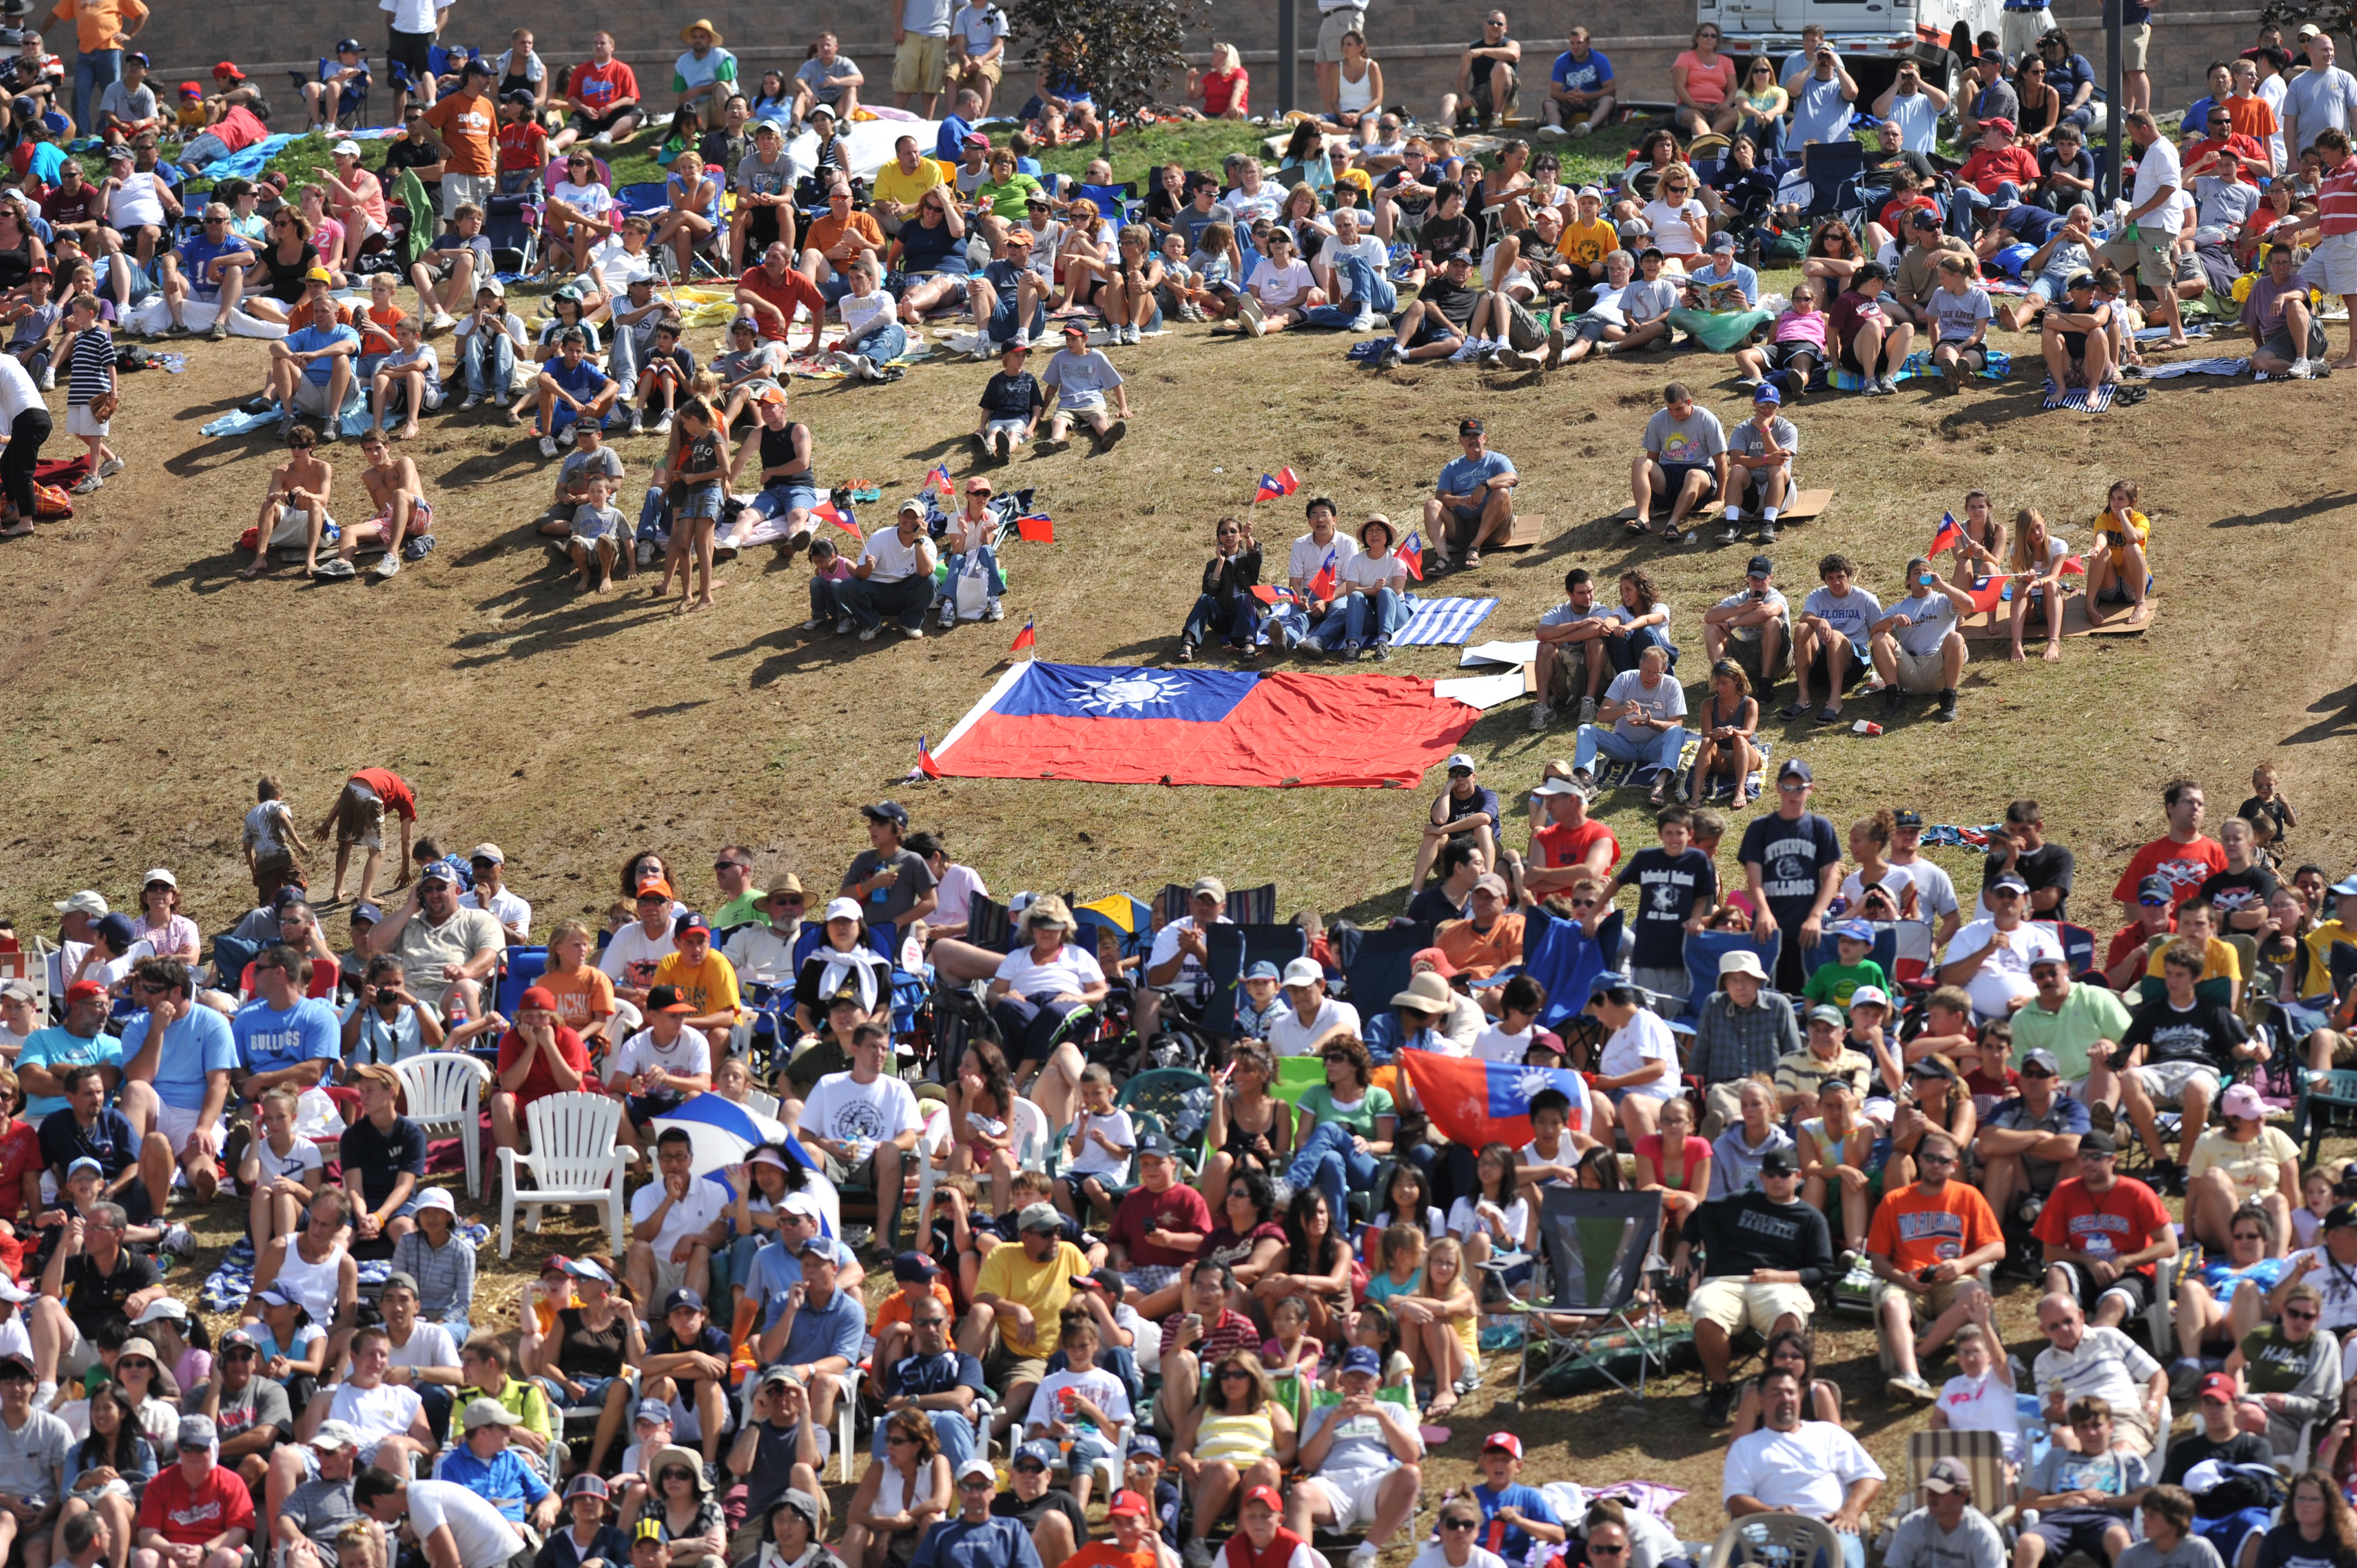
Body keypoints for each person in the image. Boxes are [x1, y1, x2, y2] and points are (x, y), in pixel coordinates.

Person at [1677, 1150, 1835, 1426]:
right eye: (1771, 1174)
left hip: (1779, 1283)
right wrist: (1681, 1250)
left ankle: (1773, 1390)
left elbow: (1823, 1270)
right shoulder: (1738, 1203)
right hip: (1727, 1281)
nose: (1777, 1180)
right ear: (1761, 1177)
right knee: (1705, 1313)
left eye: (1784, 1174)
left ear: (1798, 1177)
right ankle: (1721, 1389)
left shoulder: (1810, 1218)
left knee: (1788, 1315)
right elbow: (1699, 1215)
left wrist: (1782, 1276)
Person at [1869, 1131, 2005, 1401]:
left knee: (1975, 1295)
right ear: (1919, 1160)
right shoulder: (1894, 1201)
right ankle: (1911, 1377)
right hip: (1908, 1282)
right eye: (1930, 1158)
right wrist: (1902, 1279)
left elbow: (1997, 1247)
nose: (1935, 1164)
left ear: (1954, 1165)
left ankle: (1917, 1356)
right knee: (1893, 1303)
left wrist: (1963, 1264)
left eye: (1943, 1160)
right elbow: (1877, 1259)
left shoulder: (1969, 1196)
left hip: (1953, 1281)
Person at [1723, 1366, 1885, 1568]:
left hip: (1830, 1526)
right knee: (1746, 1549)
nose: (1786, 1399)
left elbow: (1869, 1476)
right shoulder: (1744, 1446)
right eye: (1776, 1393)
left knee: (1843, 1560)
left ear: (1799, 1397)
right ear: (1761, 1400)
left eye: (1791, 1392)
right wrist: (1772, 1514)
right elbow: (1736, 1499)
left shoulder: (1829, 1434)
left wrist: (1851, 1510)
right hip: (1771, 1528)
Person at [1285, 1345, 1421, 1568]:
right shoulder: (1322, 1414)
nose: (1359, 1384)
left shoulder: (1393, 1410)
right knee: (1300, 1493)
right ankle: (1301, 1564)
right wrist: (1332, 1421)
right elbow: (1308, 1463)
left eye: (1365, 1378)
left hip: (1378, 1482)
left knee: (1411, 1474)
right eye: (1353, 1377)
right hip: (1333, 1483)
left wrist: (1381, 1417)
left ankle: (1365, 1553)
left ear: (1377, 1383)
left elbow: (1411, 1456)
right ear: (1342, 1382)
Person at [1867, 555, 1973, 723]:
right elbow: (1874, 633)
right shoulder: (1899, 608)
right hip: (1911, 671)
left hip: (1939, 670)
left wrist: (1941, 584)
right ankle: (1894, 695)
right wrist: (1892, 620)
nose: (1923, 574)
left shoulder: (1944, 601)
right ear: (1908, 580)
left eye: (1926, 571)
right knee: (1881, 638)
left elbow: (1970, 605)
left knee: (1956, 638)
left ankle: (1949, 698)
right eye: (1917, 572)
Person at [1627, 381, 1725, 542]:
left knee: (1693, 474)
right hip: (1669, 475)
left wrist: (1720, 498)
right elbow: (1652, 459)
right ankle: (1643, 519)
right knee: (1640, 462)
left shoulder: (1706, 419)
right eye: (1670, 409)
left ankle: (1672, 524)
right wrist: (1649, 495)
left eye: (1679, 409)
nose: (1674, 415)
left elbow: (1720, 459)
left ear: (1689, 402)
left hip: (1700, 477)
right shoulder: (1658, 420)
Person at [1422, 416, 1516, 570]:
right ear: (1461, 440)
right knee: (1432, 505)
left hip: (1497, 529)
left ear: (1484, 438)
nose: (1473, 440)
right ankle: (1444, 558)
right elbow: (1440, 496)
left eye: (1477, 436)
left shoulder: (1498, 460)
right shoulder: (1452, 468)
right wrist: (1461, 500)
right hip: (1463, 530)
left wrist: (1485, 485)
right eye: (1468, 436)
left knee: (1502, 492)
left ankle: (1475, 548)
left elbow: (1512, 477)